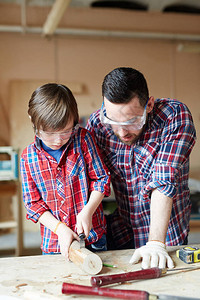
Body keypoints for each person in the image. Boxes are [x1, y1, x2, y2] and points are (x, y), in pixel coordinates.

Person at [86, 67, 196, 269]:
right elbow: (89, 177)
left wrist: (155, 243)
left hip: (167, 232)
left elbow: (163, 180)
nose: (121, 131)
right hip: (125, 227)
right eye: (112, 121)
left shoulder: (174, 117)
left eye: (131, 121)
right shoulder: (97, 124)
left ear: (149, 105)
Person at [20, 83, 110, 258]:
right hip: (54, 244)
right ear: (32, 119)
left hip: (93, 239)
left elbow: (102, 179)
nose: (57, 140)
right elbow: (32, 204)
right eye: (49, 133)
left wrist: (87, 211)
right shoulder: (28, 157)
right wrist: (59, 229)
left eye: (66, 132)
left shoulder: (83, 140)